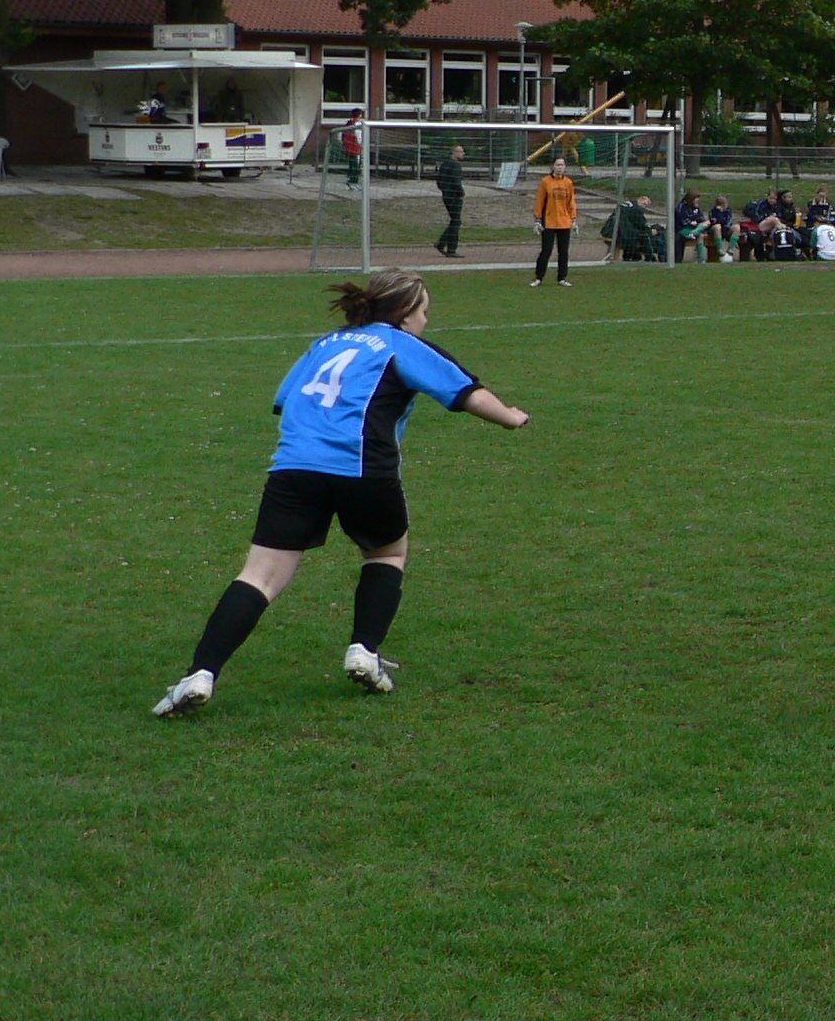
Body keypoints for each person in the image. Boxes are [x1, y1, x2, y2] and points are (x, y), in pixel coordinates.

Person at [151, 271, 531, 717]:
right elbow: (466, 393)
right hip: (362, 468)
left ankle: (200, 674)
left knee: (259, 576)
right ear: (405, 313)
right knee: (388, 552)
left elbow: (285, 399)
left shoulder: (325, 343)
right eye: (424, 311)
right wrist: (511, 417)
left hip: (293, 468)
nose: (426, 320)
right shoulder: (401, 344)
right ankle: (364, 651)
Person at [532, 154, 576, 286]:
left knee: (563, 252)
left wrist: (573, 219)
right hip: (549, 222)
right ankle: (539, 278)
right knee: (546, 251)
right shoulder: (545, 182)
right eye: (557, 165)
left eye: (562, 165)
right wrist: (537, 219)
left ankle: (562, 278)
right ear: (553, 166)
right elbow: (540, 201)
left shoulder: (568, 182)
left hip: (564, 222)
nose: (560, 167)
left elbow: (571, 202)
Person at [433, 145, 466, 258]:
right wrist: (461, 192)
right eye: (461, 151)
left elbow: (439, 181)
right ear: (454, 153)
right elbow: (456, 182)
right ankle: (450, 248)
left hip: (446, 195)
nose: (463, 153)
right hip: (454, 196)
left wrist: (444, 190)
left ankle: (442, 243)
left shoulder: (444, 164)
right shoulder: (456, 165)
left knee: (455, 220)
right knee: (456, 221)